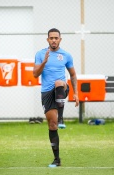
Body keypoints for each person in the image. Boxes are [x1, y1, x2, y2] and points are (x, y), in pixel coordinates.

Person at [33, 28, 79, 167]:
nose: (53, 40)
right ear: (48, 40)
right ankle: (57, 159)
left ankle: (61, 118)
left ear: (60, 39)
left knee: (59, 82)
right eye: (51, 38)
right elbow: (35, 74)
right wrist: (44, 62)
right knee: (52, 126)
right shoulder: (41, 54)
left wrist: (76, 93)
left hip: (61, 88)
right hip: (46, 92)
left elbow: (73, 75)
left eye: (56, 38)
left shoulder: (66, 55)